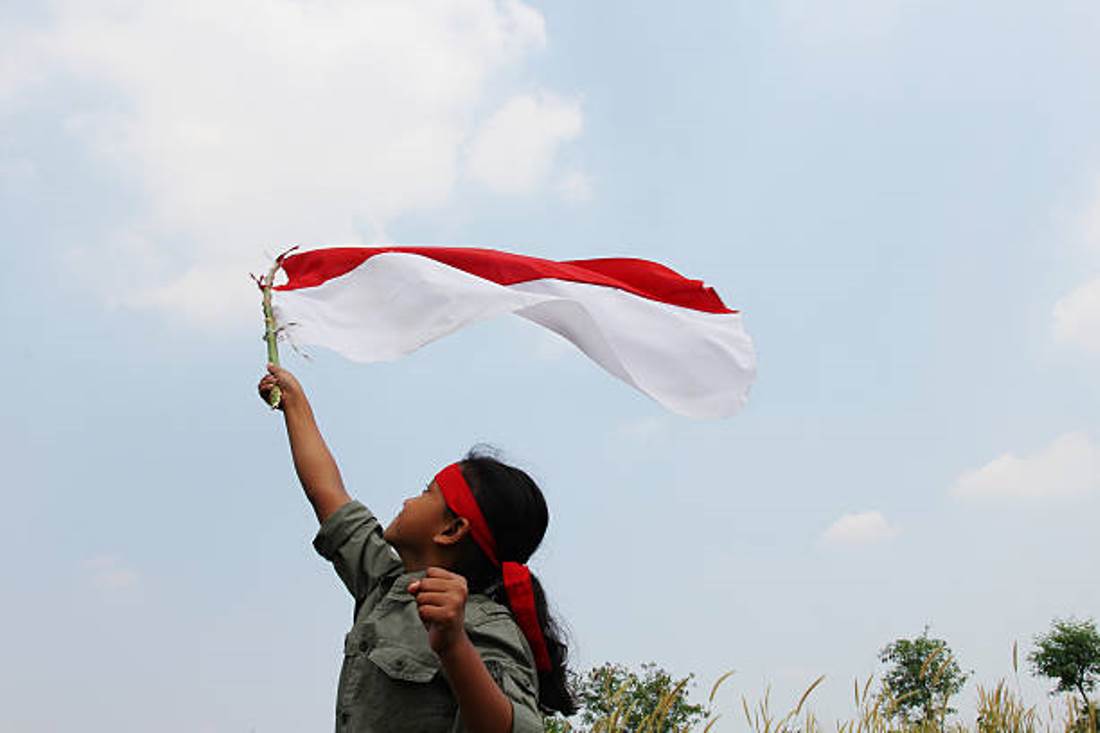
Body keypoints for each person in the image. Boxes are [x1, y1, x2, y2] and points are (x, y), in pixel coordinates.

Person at [258, 363, 576, 732]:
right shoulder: (384, 584)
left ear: (452, 529)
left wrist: (454, 645)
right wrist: (295, 404)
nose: (409, 500)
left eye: (427, 492)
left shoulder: (485, 626)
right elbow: (327, 492)